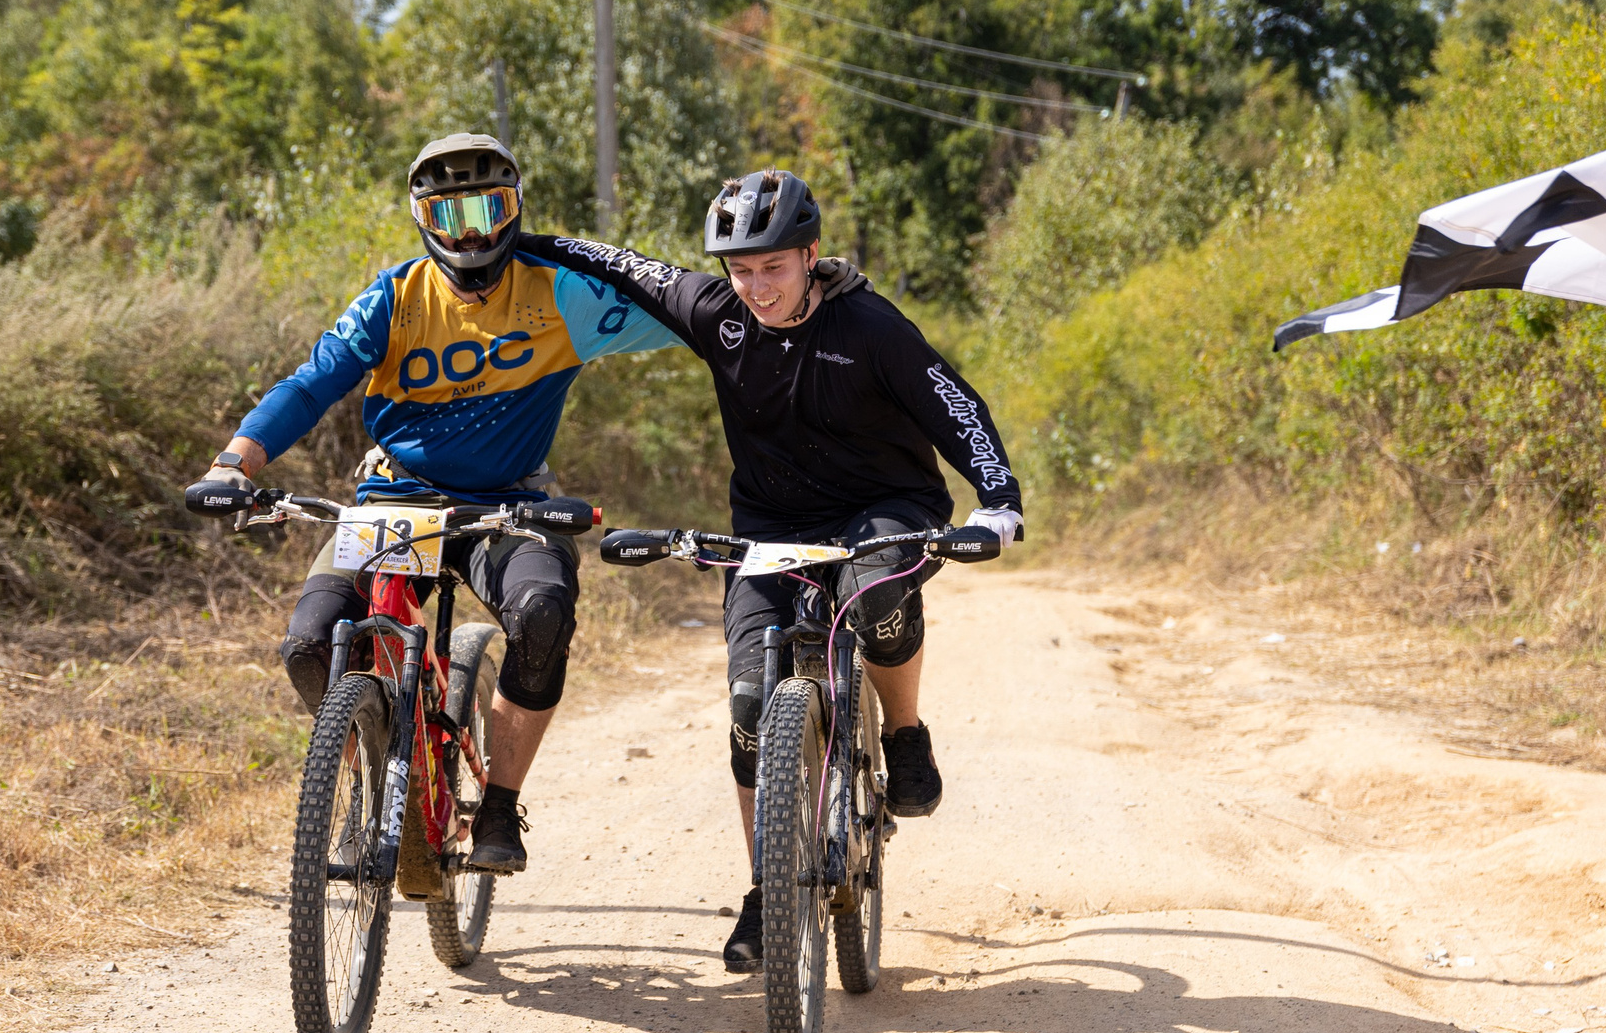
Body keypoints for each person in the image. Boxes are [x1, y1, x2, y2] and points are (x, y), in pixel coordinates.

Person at [520, 169, 1024, 970]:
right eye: (741, 270)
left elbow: (954, 403)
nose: (755, 287)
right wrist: (522, 242)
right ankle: (767, 890)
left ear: (811, 255)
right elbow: (629, 266)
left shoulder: (871, 326)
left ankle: (904, 733)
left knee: (878, 598)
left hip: (882, 506)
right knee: (752, 705)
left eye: (774, 267)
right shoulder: (718, 316)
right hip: (770, 525)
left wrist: (998, 499)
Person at [201, 133, 675, 876]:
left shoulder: (561, 294)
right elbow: (308, 385)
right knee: (308, 645)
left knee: (542, 615)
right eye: (452, 215)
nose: (474, 232)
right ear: (423, 218)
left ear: (516, 209)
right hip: (399, 497)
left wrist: (779, 296)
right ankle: (374, 775)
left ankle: (496, 806)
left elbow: (693, 313)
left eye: (491, 209)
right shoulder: (394, 298)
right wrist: (238, 460)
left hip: (510, 503)